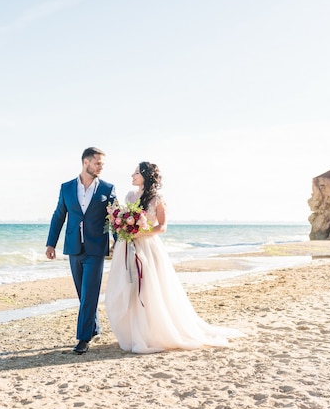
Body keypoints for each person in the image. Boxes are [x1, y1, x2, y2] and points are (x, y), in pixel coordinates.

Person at [105, 161, 244, 354]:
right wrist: (124, 229)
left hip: (148, 247)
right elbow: (123, 220)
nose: (132, 175)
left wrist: (139, 232)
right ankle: (134, 331)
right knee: (128, 287)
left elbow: (162, 226)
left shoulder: (157, 199)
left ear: (145, 175)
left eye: (136, 173)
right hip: (127, 246)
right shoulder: (129, 196)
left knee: (148, 289)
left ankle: (152, 332)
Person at [46, 147, 117, 355]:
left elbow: (115, 217)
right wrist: (51, 244)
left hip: (96, 248)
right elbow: (59, 216)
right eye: (98, 163)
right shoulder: (67, 188)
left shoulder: (107, 188)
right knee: (83, 294)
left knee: (89, 293)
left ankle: (83, 339)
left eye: (102, 164)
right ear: (86, 162)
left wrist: (118, 242)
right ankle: (93, 327)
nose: (101, 167)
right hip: (74, 247)